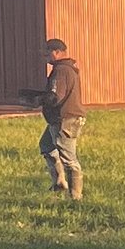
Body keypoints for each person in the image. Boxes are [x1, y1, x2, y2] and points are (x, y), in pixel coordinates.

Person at [37, 33, 85, 199]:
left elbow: (56, 96)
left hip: (65, 119)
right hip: (62, 119)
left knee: (69, 158)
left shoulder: (61, 70)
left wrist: (40, 99)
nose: (44, 57)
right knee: (46, 146)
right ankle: (59, 183)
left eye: (46, 53)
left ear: (56, 52)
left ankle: (76, 197)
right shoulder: (68, 69)